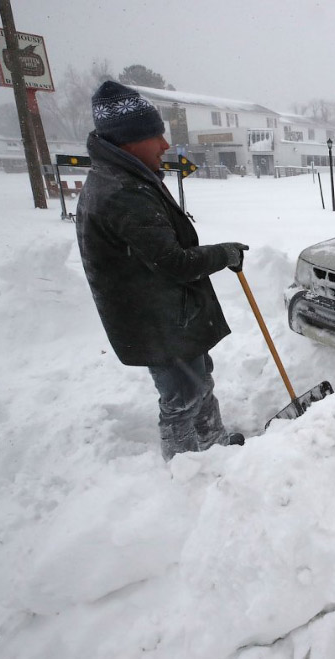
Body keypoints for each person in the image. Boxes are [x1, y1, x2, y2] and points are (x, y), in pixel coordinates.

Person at [76, 80, 249, 461]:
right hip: (157, 318)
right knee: (183, 396)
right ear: (129, 141)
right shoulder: (123, 192)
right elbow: (174, 263)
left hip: (166, 312)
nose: (165, 145)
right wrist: (224, 253)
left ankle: (213, 445)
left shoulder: (123, 178)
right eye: (156, 136)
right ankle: (186, 466)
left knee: (198, 380)